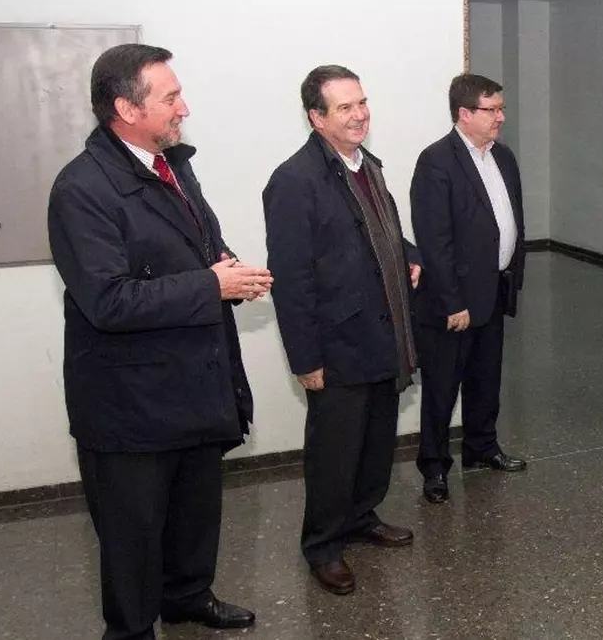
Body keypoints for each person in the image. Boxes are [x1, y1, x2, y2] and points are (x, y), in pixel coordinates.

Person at [47, 43, 267, 640]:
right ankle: (132, 630)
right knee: (133, 537)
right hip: (130, 403)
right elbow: (108, 301)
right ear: (126, 108)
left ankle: (188, 597)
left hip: (194, 384)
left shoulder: (172, 166)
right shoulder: (81, 189)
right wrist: (210, 285)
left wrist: (229, 269)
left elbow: (195, 245)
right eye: (170, 98)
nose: (183, 108)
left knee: (195, 513)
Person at [263, 65, 421, 596]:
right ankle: (324, 546)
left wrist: (410, 254)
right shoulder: (294, 181)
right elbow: (291, 278)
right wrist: (306, 359)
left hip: (384, 333)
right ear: (316, 117)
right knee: (335, 452)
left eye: (362, 103)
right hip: (338, 344)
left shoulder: (366, 166)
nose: (360, 115)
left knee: (375, 441)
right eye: (345, 107)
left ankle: (361, 517)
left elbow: (384, 233)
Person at [411, 73, 528, 504]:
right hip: (454, 301)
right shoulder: (436, 162)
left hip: (493, 290)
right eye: (491, 109)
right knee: (443, 386)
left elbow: (512, 217)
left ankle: (481, 447)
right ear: (464, 113)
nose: (501, 117)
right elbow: (433, 239)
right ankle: (434, 467)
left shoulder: (504, 158)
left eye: (501, 108)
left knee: (486, 377)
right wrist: (452, 302)